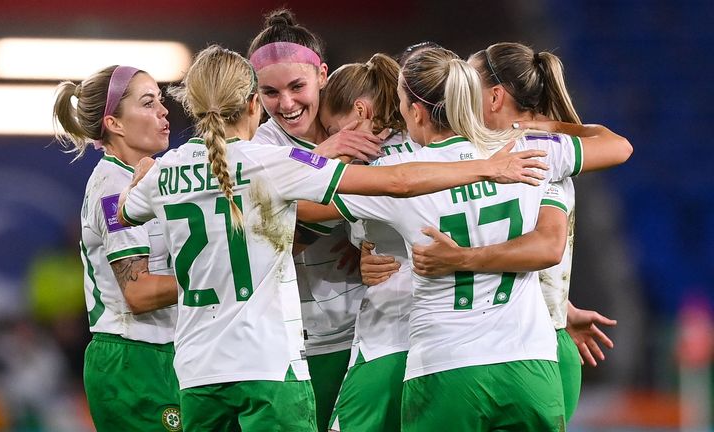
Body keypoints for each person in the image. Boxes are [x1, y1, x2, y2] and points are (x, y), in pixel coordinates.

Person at [117, 44, 548, 432]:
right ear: (253, 103)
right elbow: (397, 181)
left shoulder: (166, 171)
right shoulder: (271, 161)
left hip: (196, 369)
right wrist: (488, 168)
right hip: (267, 363)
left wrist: (139, 178)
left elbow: (124, 211)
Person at [297, 46, 631, 431]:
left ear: (417, 111)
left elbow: (304, 207)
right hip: (530, 363)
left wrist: (328, 153)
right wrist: (545, 126)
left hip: (446, 366)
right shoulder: (526, 150)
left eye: (403, 103)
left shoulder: (396, 176)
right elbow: (618, 146)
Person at [405, 42, 620, 422]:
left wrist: (459, 259)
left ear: (494, 96)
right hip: (527, 336)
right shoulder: (476, 156)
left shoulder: (534, 152)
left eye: (469, 83)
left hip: (535, 345)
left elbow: (545, 246)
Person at [246, 9, 391, 428]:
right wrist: (349, 210)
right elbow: (274, 240)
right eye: (270, 92)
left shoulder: (354, 114)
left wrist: (364, 235)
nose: (287, 104)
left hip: (370, 331)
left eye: (297, 86)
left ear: (322, 75)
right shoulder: (259, 145)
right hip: (299, 342)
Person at [52, 65, 182, 432]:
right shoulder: (114, 188)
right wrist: (213, 276)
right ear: (115, 123)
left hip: (161, 352)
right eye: (148, 102)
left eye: (160, 100)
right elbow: (138, 293)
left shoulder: (147, 179)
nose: (163, 111)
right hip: (133, 359)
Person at [316, 52, 417, 432]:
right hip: (451, 343)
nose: (332, 139)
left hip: (387, 338)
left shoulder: (366, 169)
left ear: (359, 111)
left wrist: (316, 161)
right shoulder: (437, 151)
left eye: (331, 129)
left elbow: (293, 210)